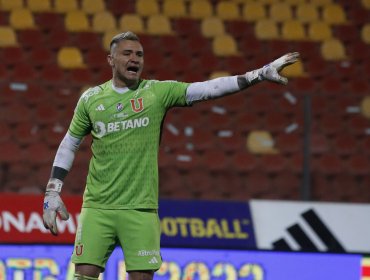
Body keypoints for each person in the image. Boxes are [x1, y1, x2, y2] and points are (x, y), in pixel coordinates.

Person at [42, 31, 299, 280]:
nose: (135, 59)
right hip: (97, 207)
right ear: (111, 60)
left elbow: (208, 89)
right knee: (83, 276)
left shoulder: (157, 93)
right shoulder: (91, 99)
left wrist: (257, 75)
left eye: (139, 54)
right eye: (127, 53)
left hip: (141, 209)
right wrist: (53, 192)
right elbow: (69, 144)